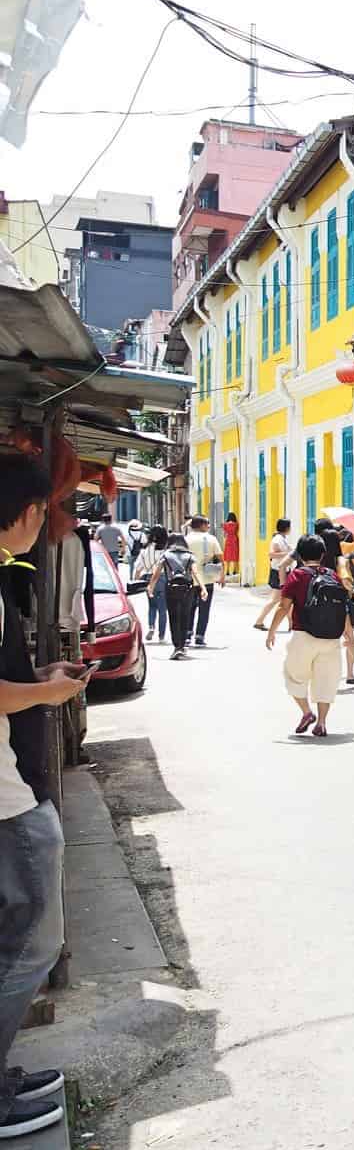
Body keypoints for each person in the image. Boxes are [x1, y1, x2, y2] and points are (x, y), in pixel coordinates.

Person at [0, 451, 87, 1139]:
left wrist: (42, 676)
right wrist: (49, 691)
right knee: (36, 942)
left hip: (12, 785)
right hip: (6, 796)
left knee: (21, 937)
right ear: (29, 513)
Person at [266, 533, 348, 737]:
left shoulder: (297, 575)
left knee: (293, 675)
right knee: (326, 680)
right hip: (331, 637)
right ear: (322, 554)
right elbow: (341, 608)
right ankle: (321, 723)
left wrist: (272, 631)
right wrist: (348, 634)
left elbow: (284, 606)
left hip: (304, 635)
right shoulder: (332, 574)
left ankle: (306, 712)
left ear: (300, 555)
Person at [322, 529, 354, 687]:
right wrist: (352, 591)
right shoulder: (340, 559)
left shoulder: (319, 558)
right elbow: (345, 579)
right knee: (350, 639)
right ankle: (350, 674)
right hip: (339, 602)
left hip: (322, 603)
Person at [152, 532, 200, 659]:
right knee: (185, 616)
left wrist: (150, 587)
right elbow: (195, 572)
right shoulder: (190, 556)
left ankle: (177, 646)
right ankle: (182, 645)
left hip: (170, 588)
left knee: (173, 617)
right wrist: (203, 588)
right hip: (187, 589)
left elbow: (157, 573)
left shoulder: (165, 555)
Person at [185, 516, 224, 647]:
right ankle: (200, 636)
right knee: (204, 609)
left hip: (189, 579)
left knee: (189, 608)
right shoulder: (211, 539)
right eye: (207, 523)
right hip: (207, 579)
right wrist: (222, 576)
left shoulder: (186, 539)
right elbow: (220, 558)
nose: (208, 526)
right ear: (201, 525)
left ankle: (187, 634)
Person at [254, 518, 295, 631]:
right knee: (277, 599)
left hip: (283, 571)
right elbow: (271, 554)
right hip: (278, 572)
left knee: (286, 598)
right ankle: (259, 621)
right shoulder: (277, 540)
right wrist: (289, 553)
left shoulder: (282, 539)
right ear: (287, 528)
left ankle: (291, 623)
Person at [132, 525, 169, 643]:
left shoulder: (145, 550)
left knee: (152, 606)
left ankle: (151, 627)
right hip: (161, 578)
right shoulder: (164, 551)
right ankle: (161, 635)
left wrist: (135, 582)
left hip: (147, 577)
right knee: (162, 608)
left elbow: (138, 568)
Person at [221, 511, 241, 578]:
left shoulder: (225, 525)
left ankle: (227, 571)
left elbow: (224, 534)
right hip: (235, 539)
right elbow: (237, 530)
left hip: (228, 540)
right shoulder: (236, 524)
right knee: (235, 554)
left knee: (228, 555)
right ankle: (235, 570)